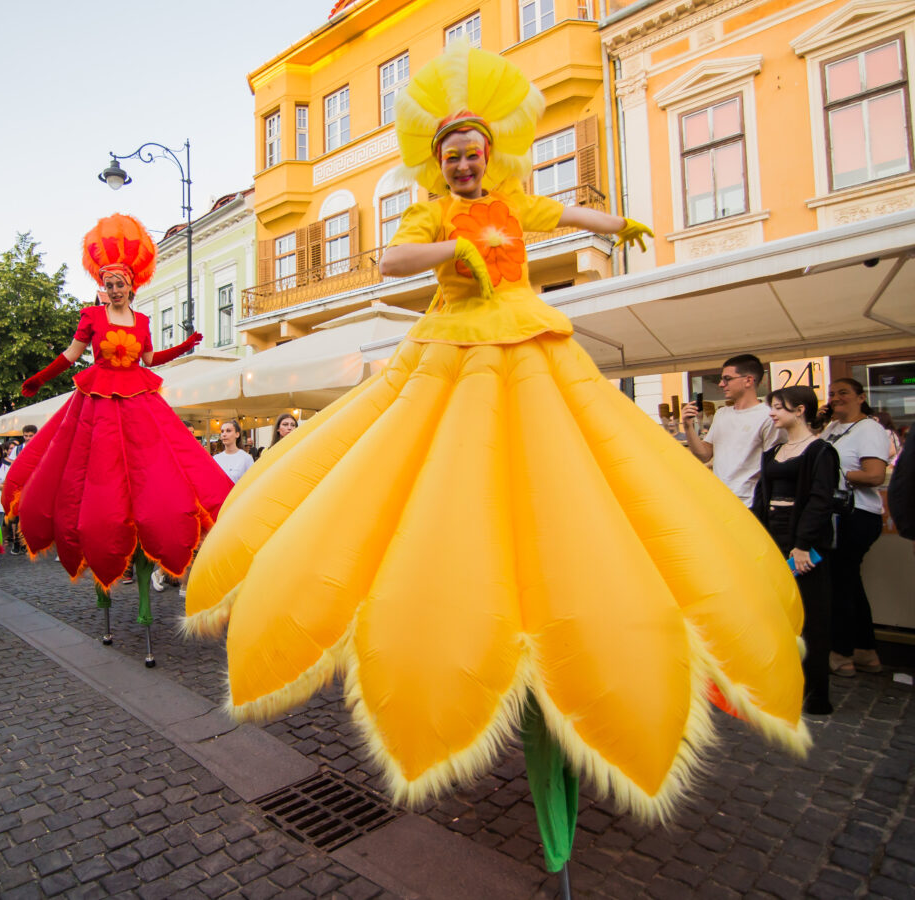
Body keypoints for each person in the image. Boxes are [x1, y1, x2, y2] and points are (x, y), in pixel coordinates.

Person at [182, 42, 809, 832]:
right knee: (440, 482)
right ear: (440, 164)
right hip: (450, 353)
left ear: (489, 155)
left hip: (531, 345)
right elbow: (394, 259)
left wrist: (618, 222)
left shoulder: (514, 199)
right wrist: (459, 247)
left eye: (474, 155)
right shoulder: (435, 209)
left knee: (572, 470)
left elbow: (563, 211)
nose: (466, 168)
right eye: (453, 159)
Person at [5, 214, 233, 660]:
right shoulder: (91, 317)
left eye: (120, 283)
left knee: (161, 469)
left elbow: (149, 358)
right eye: (108, 282)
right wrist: (38, 378)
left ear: (131, 286)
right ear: (102, 286)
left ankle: (152, 560)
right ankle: (102, 572)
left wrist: (184, 348)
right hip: (97, 405)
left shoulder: (143, 319)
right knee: (91, 474)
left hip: (139, 401)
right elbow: (71, 356)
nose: (114, 288)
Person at [751, 386, 838, 715]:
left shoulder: (820, 451)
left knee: (811, 618)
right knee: (776, 616)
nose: (772, 413)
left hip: (803, 543)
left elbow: (820, 501)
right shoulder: (773, 451)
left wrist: (803, 545)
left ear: (800, 410)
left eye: (778, 407)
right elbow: (762, 499)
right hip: (773, 539)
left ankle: (816, 694)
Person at [819, 378, 890, 677]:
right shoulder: (832, 428)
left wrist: (833, 473)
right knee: (849, 581)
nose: (836, 398)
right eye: (833, 394)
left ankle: (842, 653)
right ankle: (865, 652)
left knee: (840, 583)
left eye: (843, 393)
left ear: (861, 397)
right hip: (838, 514)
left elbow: (874, 475)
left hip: (856, 515)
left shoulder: (869, 429)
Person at [681, 354, 781, 506]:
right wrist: (688, 427)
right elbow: (704, 455)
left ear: (748, 380)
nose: (721, 384)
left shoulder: (767, 416)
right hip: (720, 499)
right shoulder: (722, 414)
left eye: (727, 379)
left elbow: (773, 464)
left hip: (751, 502)